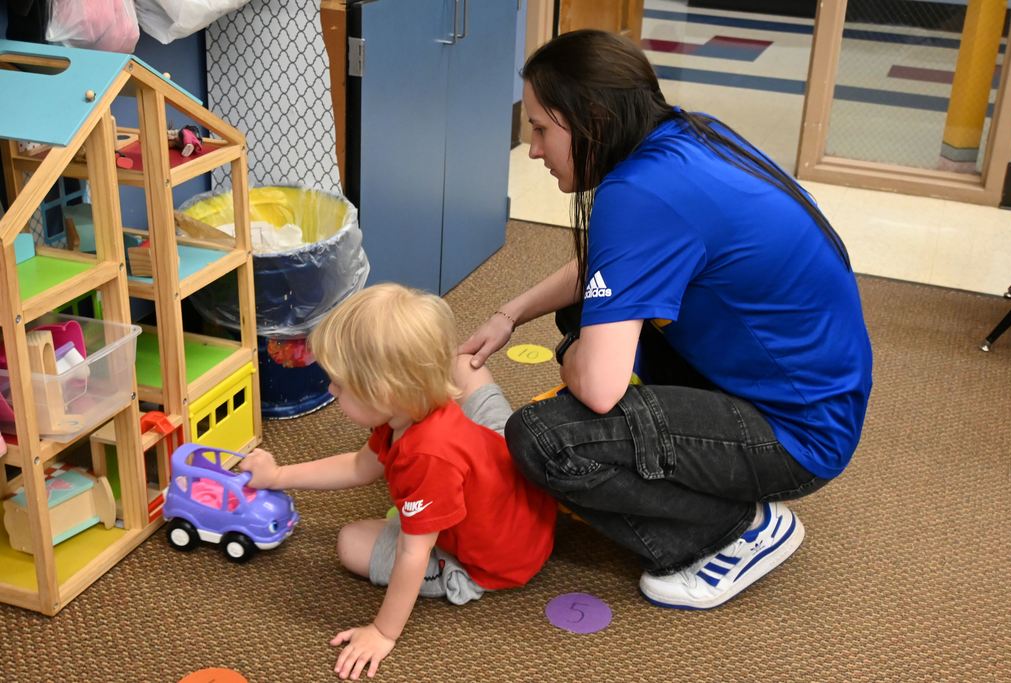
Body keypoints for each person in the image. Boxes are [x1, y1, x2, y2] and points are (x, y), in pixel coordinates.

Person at [460, 30, 873, 611]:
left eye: (541, 129)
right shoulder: (681, 135)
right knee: (582, 317)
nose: (533, 149)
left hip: (798, 434)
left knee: (545, 438)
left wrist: (581, 357)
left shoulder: (638, 196)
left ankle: (736, 531)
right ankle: (674, 446)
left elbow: (600, 387)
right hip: (806, 384)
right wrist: (511, 314)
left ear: (594, 121)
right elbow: (618, 260)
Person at [242, 283, 557, 679]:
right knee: (463, 366)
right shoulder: (408, 410)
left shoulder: (425, 459)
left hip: (504, 557)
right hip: (502, 463)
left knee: (351, 543)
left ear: (385, 393)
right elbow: (362, 465)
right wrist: (279, 476)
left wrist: (382, 632)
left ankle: (460, 577)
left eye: (340, 385)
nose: (330, 389)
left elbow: (413, 554)